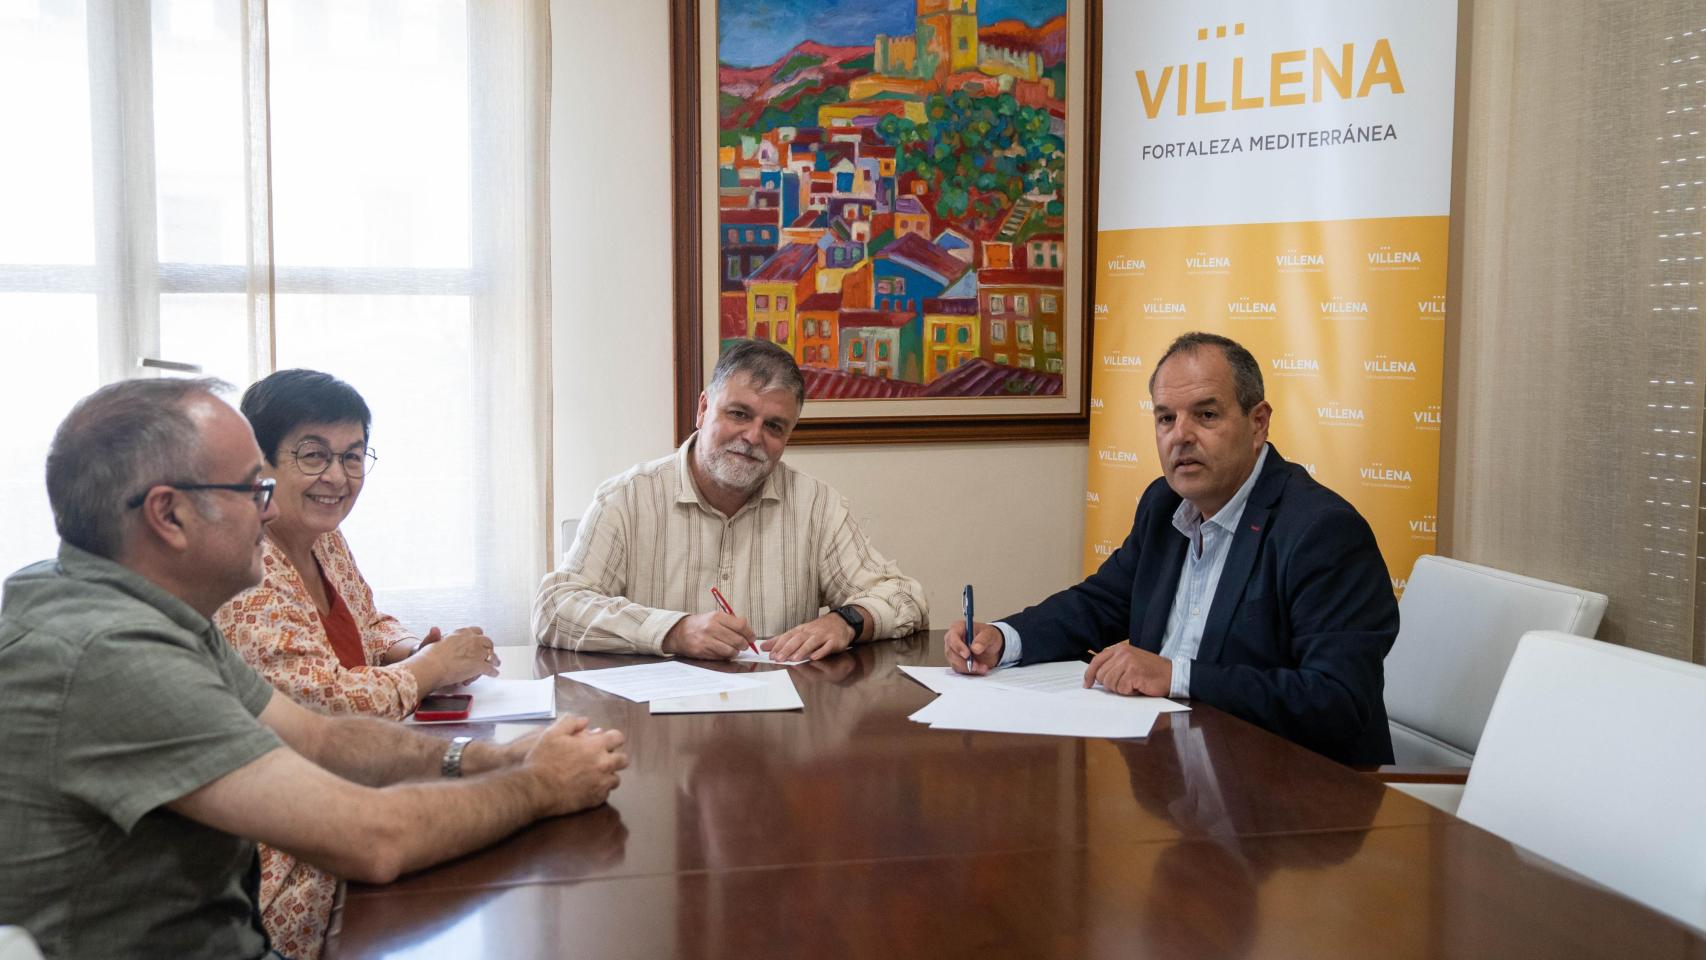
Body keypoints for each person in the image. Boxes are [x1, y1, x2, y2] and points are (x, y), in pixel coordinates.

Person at [0, 378, 628, 960]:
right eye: (253, 490)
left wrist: (491, 759)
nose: (269, 513)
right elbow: (372, 840)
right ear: (168, 514)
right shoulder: (111, 655)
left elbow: (320, 736)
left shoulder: (131, 601)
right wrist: (541, 785)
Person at [946, 332, 1399, 765]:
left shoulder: (1322, 531)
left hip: (1296, 802)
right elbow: (1100, 602)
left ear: (1257, 423)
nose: (1179, 435)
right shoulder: (1164, 504)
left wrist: (1176, 676)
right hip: (1178, 774)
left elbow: (1337, 701)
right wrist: (1004, 638)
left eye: (1205, 415)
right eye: (1166, 417)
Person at [212, 369, 498, 958]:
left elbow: (370, 622)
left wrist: (410, 647)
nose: (337, 477)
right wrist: (433, 668)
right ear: (259, 463)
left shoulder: (324, 540)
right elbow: (328, 707)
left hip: (357, 783)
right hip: (288, 845)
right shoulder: (248, 570)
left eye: (352, 455)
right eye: (313, 456)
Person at [534, 338, 927, 661]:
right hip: (658, 731)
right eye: (739, 414)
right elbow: (554, 608)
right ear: (704, 409)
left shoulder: (816, 505)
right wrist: (674, 631)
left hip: (779, 728)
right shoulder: (627, 499)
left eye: (774, 426)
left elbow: (906, 597)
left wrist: (845, 621)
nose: (754, 437)